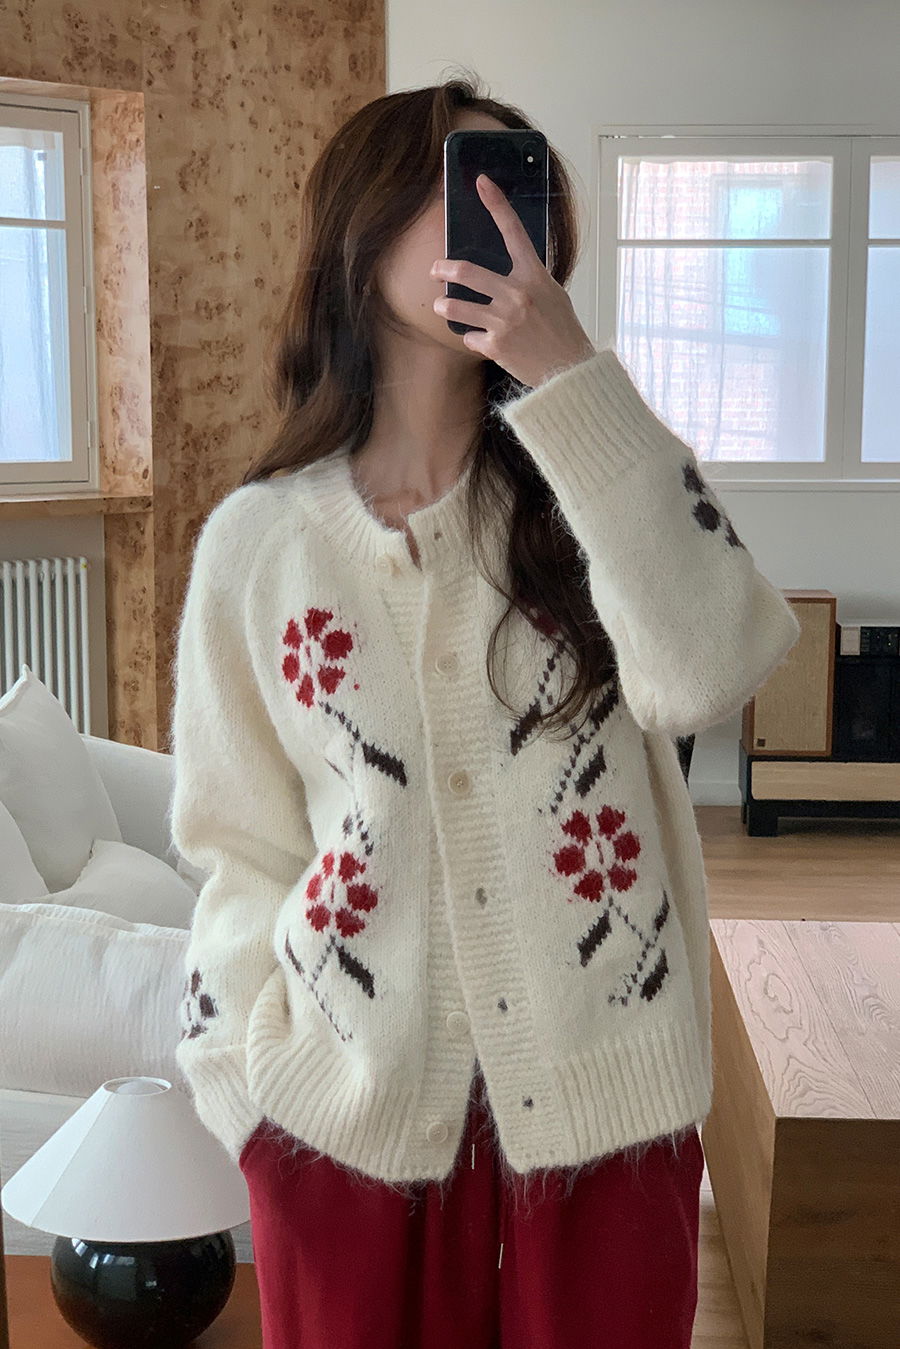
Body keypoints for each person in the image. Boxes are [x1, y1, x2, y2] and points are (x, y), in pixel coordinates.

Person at [169, 70, 801, 1349]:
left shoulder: (598, 482)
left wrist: (573, 377)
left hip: (610, 1114)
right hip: (340, 1124)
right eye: (465, 188)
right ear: (361, 229)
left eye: (527, 199)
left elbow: (715, 665)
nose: (505, 226)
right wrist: (242, 1087)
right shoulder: (259, 543)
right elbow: (236, 844)